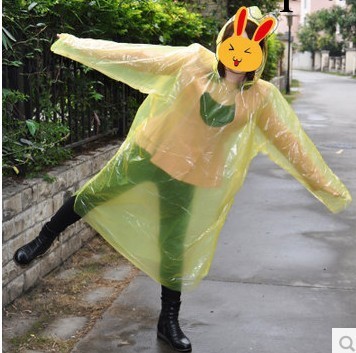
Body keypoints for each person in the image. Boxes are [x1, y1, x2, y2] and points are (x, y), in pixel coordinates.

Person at [13, 6, 351, 352]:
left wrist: (324, 183)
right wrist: (76, 44)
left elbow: (291, 144)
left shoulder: (260, 97)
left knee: (174, 247)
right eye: (235, 44)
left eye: (251, 47)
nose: (238, 55)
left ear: (260, 54)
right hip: (147, 154)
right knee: (91, 195)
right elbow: (136, 56)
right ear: (224, 42)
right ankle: (44, 239)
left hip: (188, 177)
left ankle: (168, 321)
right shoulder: (193, 63)